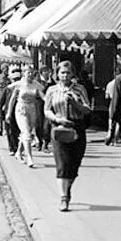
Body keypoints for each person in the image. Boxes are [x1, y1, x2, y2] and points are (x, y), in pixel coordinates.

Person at [43, 60, 91, 212]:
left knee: (74, 165)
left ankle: (67, 187)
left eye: (68, 72)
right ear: (57, 74)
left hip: (77, 128)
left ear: (73, 74)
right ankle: (64, 198)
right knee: (62, 164)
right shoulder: (51, 90)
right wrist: (57, 119)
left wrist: (75, 103)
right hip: (59, 128)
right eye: (62, 72)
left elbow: (87, 109)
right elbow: (47, 110)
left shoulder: (79, 89)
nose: (65, 75)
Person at [8, 64, 46, 168]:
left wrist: (49, 102)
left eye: (31, 72)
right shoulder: (19, 84)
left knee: (27, 132)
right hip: (21, 108)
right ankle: (29, 157)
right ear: (24, 73)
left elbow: (42, 96)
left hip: (32, 109)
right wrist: (8, 112)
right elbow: (12, 99)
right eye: (28, 72)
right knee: (26, 132)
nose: (30, 74)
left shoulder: (36, 85)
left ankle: (18, 152)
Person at [3, 68, 22, 156]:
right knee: (10, 130)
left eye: (18, 79)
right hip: (9, 111)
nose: (16, 81)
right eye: (15, 79)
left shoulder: (23, 88)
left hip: (20, 111)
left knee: (18, 130)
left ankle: (17, 147)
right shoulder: (8, 88)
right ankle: (12, 147)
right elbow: (1, 100)